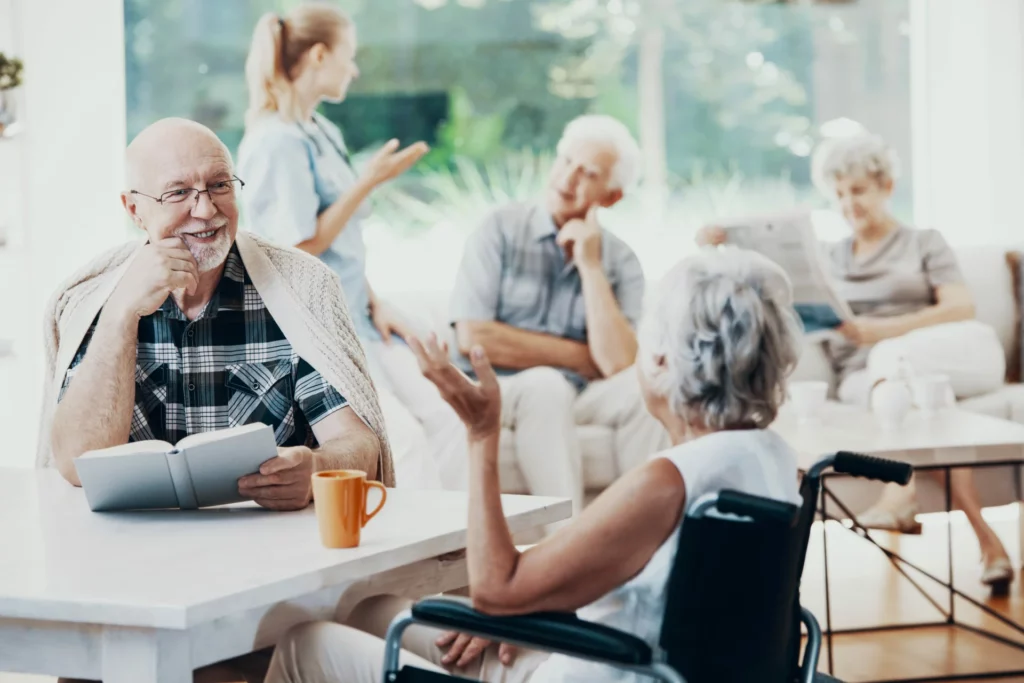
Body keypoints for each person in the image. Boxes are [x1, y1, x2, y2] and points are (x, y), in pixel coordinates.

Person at [263, 247, 804, 683]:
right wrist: (526, 609)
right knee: (373, 611)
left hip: (600, 669)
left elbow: (498, 588)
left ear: (662, 361)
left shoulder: (667, 482)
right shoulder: (771, 460)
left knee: (304, 644)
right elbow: (646, 583)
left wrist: (482, 434)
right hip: (637, 658)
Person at [40, 117, 392, 683]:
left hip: (264, 587)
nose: (206, 210)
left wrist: (319, 469)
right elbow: (76, 462)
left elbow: (361, 446)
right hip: (128, 583)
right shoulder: (91, 299)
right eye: (179, 192)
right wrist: (122, 314)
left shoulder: (299, 288)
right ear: (134, 210)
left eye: (220, 185)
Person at [700, 131, 1011, 589]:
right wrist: (725, 247)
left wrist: (880, 333)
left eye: (859, 190)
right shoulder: (829, 257)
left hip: (948, 352)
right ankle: (989, 543)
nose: (849, 203)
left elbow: (960, 308)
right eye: (840, 193)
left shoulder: (923, 241)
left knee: (896, 359)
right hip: (869, 381)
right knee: (931, 406)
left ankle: (900, 496)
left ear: (886, 186)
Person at [237, 3, 459, 489]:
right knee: (405, 445)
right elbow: (297, 253)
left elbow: (344, 247)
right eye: (349, 56)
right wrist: (368, 182)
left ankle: (464, 552)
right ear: (319, 55)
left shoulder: (320, 130)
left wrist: (377, 302)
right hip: (322, 328)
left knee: (449, 418)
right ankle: (413, 553)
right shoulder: (276, 142)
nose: (353, 69)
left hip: (359, 314)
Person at [448, 114, 669, 518]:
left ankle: (643, 537)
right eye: (566, 161)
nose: (568, 179)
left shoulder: (620, 260)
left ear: (612, 196)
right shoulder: (499, 229)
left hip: (580, 393)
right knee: (546, 387)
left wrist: (590, 267)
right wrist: (579, 356)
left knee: (648, 386)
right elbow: (475, 338)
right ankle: (569, 547)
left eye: (588, 173)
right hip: (503, 388)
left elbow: (619, 364)